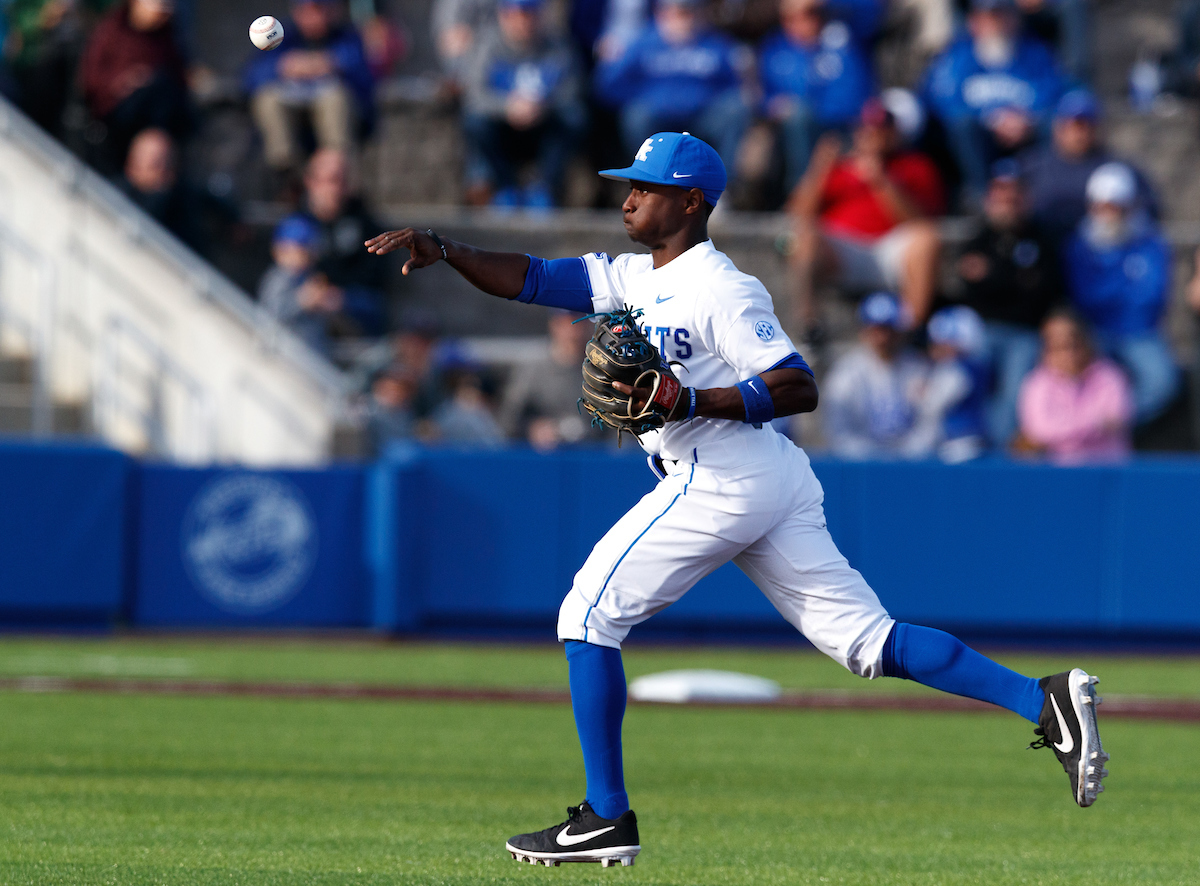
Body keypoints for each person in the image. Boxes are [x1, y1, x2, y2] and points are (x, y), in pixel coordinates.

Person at [365, 130, 1109, 866]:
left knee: (587, 615)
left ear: (690, 202)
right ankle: (1042, 699)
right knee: (866, 641)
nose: (628, 199)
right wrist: (448, 249)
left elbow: (798, 385)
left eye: (646, 188)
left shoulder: (722, 286)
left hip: (721, 475)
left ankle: (605, 817)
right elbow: (533, 278)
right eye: (630, 185)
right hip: (763, 479)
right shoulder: (633, 276)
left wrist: (691, 395)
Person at [788, 98, 945, 332]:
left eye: (881, 129)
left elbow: (918, 221)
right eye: (867, 128)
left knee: (927, 238)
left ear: (894, 133)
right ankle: (809, 325)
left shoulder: (916, 166)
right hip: (845, 252)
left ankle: (914, 328)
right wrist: (819, 168)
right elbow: (798, 213)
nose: (872, 135)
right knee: (804, 237)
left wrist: (881, 181)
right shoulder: (837, 167)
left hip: (892, 251)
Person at [1063, 163, 1179, 426]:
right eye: (1103, 207)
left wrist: (1111, 292)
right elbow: (1084, 295)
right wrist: (1123, 289)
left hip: (1140, 331)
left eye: (1116, 207)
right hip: (1095, 332)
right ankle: (1084, 428)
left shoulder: (1150, 242)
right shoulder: (1080, 245)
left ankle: (1113, 423)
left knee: (1162, 381)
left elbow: (1153, 295)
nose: (1109, 214)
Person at [955, 158, 1060, 445]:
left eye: (1015, 194)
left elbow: (1043, 290)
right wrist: (1016, 278)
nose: (1008, 201)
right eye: (1001, 194)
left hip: (1025, 331)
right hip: (983, 328)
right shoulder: (978, 238)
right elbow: (969, 287)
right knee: (964, 379)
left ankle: (999, 454)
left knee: (1014, 392)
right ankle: (968, 444)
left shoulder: (1042, 238)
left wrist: (993, 274)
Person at [922, 0, 1064, 203]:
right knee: (963, 124)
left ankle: (1043, 196)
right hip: (978, 138)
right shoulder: (957, 55)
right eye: (988, 16)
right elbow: (942, 99)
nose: (995, 23)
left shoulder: (1036, 52)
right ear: (973, 21)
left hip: (1026, 134)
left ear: (1015, 18)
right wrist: (992, 120)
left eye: (1001, 15)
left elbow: (1053, 92)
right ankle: (981, 198)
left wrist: (1026, 120)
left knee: (1053, 124)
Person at [594, 0, 751, 175]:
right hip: (657, 119)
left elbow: (734, 85)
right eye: (676, 13)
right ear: (661, 14)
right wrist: (642, 98)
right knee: (637, 116)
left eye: (688, 13)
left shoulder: (715, 44)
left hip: (702, 117)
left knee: (735, 110)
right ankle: (647, 177)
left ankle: (721, 183)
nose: (682, 20)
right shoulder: (643, 43)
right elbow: (608, 85)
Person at [461, 0, 586, 208]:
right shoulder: (487, 45)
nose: (522, 22)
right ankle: (504, 188)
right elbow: (474, 94)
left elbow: (572, 90)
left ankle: (544, 189)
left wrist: (539, 106)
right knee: (474, 121)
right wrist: (507, 107)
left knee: (575, 118)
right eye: (515, 15)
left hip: (544, 126)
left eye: (529, 15)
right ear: (503, 16)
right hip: (503, 128)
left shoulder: (558, 45)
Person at [244, 0, 374, 177]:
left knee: (335, 100)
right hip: (291, 106)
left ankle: (335, 170)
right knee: (268, 100)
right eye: (306, 11)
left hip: (332, 112)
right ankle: (286, 173)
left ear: (332, 12)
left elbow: (365, 79)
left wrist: (332, 63)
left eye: (319, 10)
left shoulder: (347, 37)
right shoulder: (282, 36)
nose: (312, 18)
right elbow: (251, 77)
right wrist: (282, 66)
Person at [758, 0, 874, 194]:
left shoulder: (843, 42)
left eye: (812, 13)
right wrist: (773, 106)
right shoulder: (774, 49)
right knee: (797, 116)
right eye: (792, 17)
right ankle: (799, 193)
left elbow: (873, 9)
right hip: (794, 130)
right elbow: (764, 97)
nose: (805, 21)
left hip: (841, 128)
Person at [1019, 89, 1159, 248]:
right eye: (1073, 125)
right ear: (1057, 127)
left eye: (1086, 126)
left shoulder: (1118, 168)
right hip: (1044, 253)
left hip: (1100, 257)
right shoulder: (1032, 166)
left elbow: (1149, 210)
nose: (1079, 133)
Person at [79, 0, 190, 175]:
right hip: (112, 118)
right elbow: (90, 79)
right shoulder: (112, 30)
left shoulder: (168, 43)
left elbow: (179, 85)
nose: (161, 10)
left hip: (153, 124)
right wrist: (125, 84)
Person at [822, 291, 932, 459]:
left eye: (889, 330)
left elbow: (930, 423)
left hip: (910, 463)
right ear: (864, 331)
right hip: (862, 464)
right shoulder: (846, 372)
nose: (883, 338)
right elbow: (839, 431)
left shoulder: (918, 368)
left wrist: (906, 454)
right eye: (877, 330)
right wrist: (873, 457)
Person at [1017, 309, 1133, 464]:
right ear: (1046, 350)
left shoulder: (1110, 375)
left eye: (1074, 345)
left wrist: (1061, 429)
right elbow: (1039, 432)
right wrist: (1094, 423)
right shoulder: (1036, 382)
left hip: (1107, 472)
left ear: (1087, 343)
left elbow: (1118, 419)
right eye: (1058, 347)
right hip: (1057, 475)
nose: (1068, 354)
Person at [297, 149, 386, 335]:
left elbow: (375, 274)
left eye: (343, 181)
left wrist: (338, 295)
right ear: (311, 182)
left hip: (350, 301)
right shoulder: (296, 223)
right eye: (331, 180)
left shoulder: (364, 223)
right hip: (306, 303)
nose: (337, 189)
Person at [259, 214, 376, 356]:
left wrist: (330, 304)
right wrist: (302, 300)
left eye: (308, 251)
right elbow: (268, 316)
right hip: (286, 356)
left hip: (314, 354)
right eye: (298, 249)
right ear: (278, 250)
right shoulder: (277, 279)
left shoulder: (312, 277)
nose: (303, 256)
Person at [500, 310, 608, 450]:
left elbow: (619, 425)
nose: (575, 331)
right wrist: (532, 428)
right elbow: (508, 419)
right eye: (569, 323)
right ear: (555, 325)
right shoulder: (533, 368)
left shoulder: (603, 368)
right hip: (542, 456)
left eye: (581, 322)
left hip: (593, 455)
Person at [923, 304, 990, 462]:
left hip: (957, 443)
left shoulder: (954, 371)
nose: (934, 349)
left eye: (940, 343)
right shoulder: (978, 366)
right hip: (976, 436)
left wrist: (920, 394)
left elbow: (932, 405)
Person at [116, 127, 201, 251]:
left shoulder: (181, 210)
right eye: (155, 164)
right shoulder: (111, 194)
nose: (162, 170)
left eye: (166, 163)